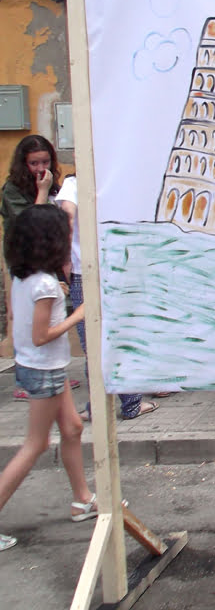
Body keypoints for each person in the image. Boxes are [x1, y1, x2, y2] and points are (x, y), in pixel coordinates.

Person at [0, 204, 99, 551]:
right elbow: (43, 335)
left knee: (72, 429)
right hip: (44, 371)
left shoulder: (21, 275)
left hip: (41, 369)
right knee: (36, 444)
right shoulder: (44, 285)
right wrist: (80, 314)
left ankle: (82, 499)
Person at [55, 175, 155, 421]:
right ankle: (127, 403)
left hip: (87, 271)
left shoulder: (75, 183)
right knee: (121, 337)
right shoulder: (112, 178)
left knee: (94, 342)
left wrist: (65, 258)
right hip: (114, 268)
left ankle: (101, 407)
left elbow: (67, 215)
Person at [1, 135, 80, 399]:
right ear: (24, 163)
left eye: (45, 161)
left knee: (48, 313)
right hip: (25, 260)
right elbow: (33, 224)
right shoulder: (12, 189)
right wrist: (43, 192)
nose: (40, 168)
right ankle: (26, 379)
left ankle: (48, 375)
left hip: (47, 257)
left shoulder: (53, 182)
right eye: (34, 163)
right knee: (25, 318)